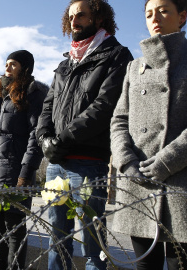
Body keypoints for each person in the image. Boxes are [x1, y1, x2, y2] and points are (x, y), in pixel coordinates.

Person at [110, 0, 187, 269]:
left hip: (184, 180)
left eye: (164, 11)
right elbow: (119, 119)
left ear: (182, 16)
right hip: (138, 181)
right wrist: (126, 162)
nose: (155, 18)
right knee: (144, 266)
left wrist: (165, 162)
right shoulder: (134, 66)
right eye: (149, 13)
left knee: (181, 265)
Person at [35, 0, 133, 269]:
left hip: (88, 161)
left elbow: (104, 106)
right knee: (57, 239)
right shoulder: (65, 62)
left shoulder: (117, 54)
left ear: (98, 18)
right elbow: (48, 105)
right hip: (57, 163)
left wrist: (63, 140)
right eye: (71, 16)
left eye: (81, 15)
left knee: (92, 246)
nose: (74, 20)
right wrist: (44, 139)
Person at [0, 50, 47, 269]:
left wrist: (26, 171)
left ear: (25, 68)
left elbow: (36, 135)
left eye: (13, 64)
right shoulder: (3, 93)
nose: (7, 67)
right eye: (6, 63)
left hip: (15, 172)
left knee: (14, 229)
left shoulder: (32, 94)